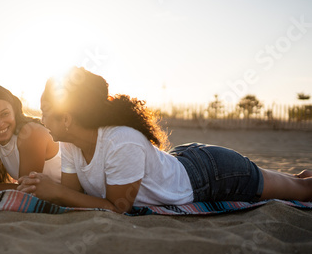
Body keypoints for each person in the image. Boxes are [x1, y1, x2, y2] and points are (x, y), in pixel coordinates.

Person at [17, 67, 312, 213]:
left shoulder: (121, 142)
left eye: (45, 111)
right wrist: (48, 189)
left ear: (66, 119)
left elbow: (117, 207)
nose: (41, 119)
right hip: (179, 162)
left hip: (209, 174)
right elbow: (75, 196)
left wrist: (53, 192)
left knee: (301, 190)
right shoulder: (70, 142)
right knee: (293, 181)